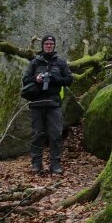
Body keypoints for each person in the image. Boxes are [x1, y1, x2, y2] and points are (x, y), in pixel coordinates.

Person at [21, 35, 72, 175]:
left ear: (54, 45)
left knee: (55, 135)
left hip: (54, 104)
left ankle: (55, 165)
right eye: (46, 44)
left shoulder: (60, 62)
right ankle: (36, 165)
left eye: (51, 43)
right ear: (42, 45)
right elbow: (25, 80)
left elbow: (69, 80)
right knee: (37, 135)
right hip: (37, 103)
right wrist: (36, 79)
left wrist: (56, 79)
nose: (49, 46)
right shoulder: (34, 62)